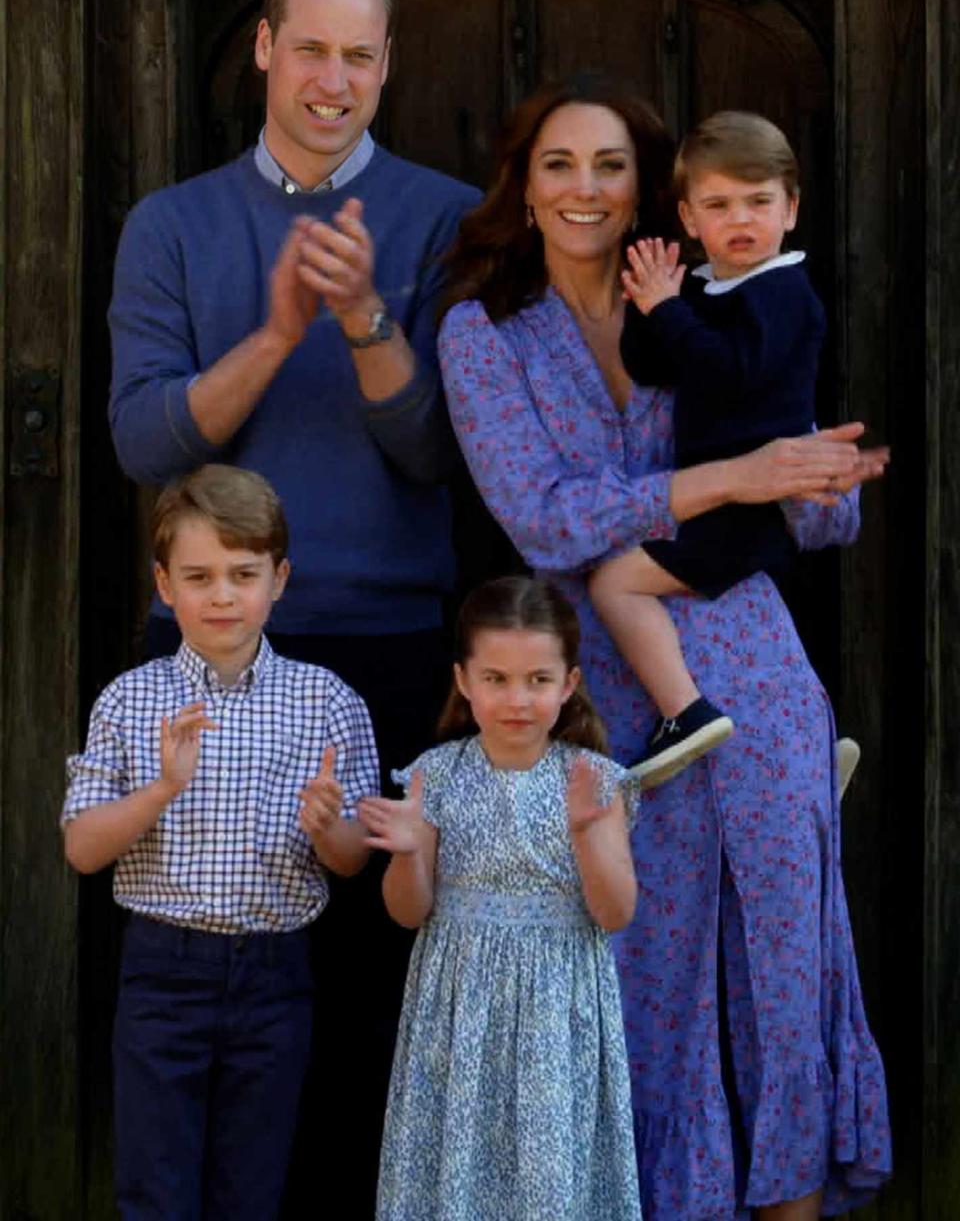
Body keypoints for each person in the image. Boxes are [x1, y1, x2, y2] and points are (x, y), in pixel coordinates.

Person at [437, 73, 892, 1220]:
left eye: (609, 166)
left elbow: (807, 498)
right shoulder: (482, 330)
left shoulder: (710, 290)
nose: (585, 189)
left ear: (652, 192)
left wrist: (819, 478)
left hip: (752, 650)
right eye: (559, 165)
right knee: (644, 972)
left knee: (788, 958)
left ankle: (794, 1200)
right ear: (523, 188)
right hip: (601, 682)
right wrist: (734, 477)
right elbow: (542, 516)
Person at [106, 0, 481, 1210]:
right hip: (210, 650)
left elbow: (439, 455)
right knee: (204, 994)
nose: (333, 79)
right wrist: (275, 333)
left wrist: (368, 318)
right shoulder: (173, 224)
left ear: (388, 67)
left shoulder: (446, 218)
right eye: (309, 48)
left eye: (359, 55)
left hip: (385, 646)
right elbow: (146, 441)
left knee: (371, 992)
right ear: (263, 47)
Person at [60, 465, 380, 1220]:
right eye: (199, 576)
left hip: (275, 973)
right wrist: (162, 788)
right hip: (163, 971)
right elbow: (81, 848)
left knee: (252, 1187)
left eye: (244, 574)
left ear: (280, 578)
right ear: (165, 584)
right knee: (154, 1187)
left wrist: (327, 824)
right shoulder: (131, 699)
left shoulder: (327, 700)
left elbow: (353, 858)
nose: (224, 596)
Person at [358, 576, 642, 1221]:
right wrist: (407, 851)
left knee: (549, 1178)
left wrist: (588, 835)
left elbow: (615, 913)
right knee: (458, 1170)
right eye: (496, 679)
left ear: (568, 684)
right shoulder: (437, 774)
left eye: (538, 680)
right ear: (463, 680)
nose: (518, 699)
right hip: (459, 1008)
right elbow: (408, 911)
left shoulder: (595, 780)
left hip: (556, 1007)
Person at [588, 111, 827, 786]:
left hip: (747, 508)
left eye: (759, 201)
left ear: (792, 208)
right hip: (716, 497)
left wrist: (670, 309)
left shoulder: (784, 293)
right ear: (690, 219)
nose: (741, 219)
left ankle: (684, 712)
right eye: (719, 205)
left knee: (615, 581)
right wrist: (649, 302)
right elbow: (653, 364)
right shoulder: (709, 287)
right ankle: (794, 751)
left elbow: (729, 372)